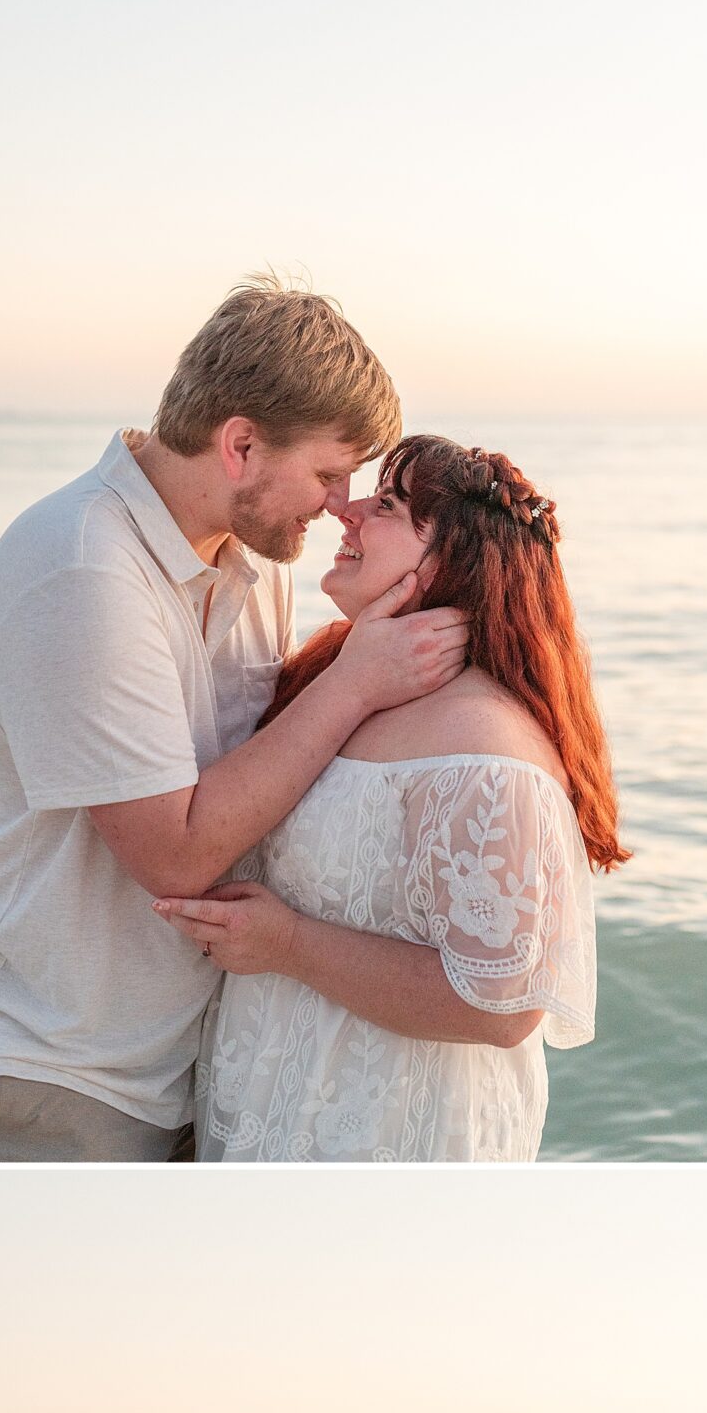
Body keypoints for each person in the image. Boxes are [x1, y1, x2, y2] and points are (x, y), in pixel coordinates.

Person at [0, 278, 469, 1161]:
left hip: (172, 1059)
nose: (341, 503)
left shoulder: (258, 559)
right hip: (41, 1065)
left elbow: (270, 770)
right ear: (239, 445)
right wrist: (351, 684)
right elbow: (175, 854)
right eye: (325, 472)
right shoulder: (81, 568)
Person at [157, 435, 625, 1159]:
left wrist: (287, 944)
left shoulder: (485, 749)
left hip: (393, 1140)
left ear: (448, 562)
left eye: (388, 505)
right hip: (275, 1116)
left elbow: (502, 1005)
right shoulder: (346, 686)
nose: (345, 512)